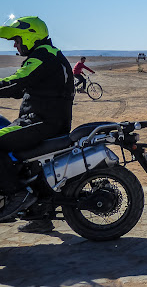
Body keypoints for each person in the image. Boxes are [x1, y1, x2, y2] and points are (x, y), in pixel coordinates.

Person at [0, 16, 74, 233]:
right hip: (45, 119)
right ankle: (40, 216)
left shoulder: (42, 57)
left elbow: (16, 82)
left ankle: (17, 193)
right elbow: (26, 89)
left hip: (42, 122)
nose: (15, 44)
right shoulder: (48, 55)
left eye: (17, 39)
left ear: (29, 36)